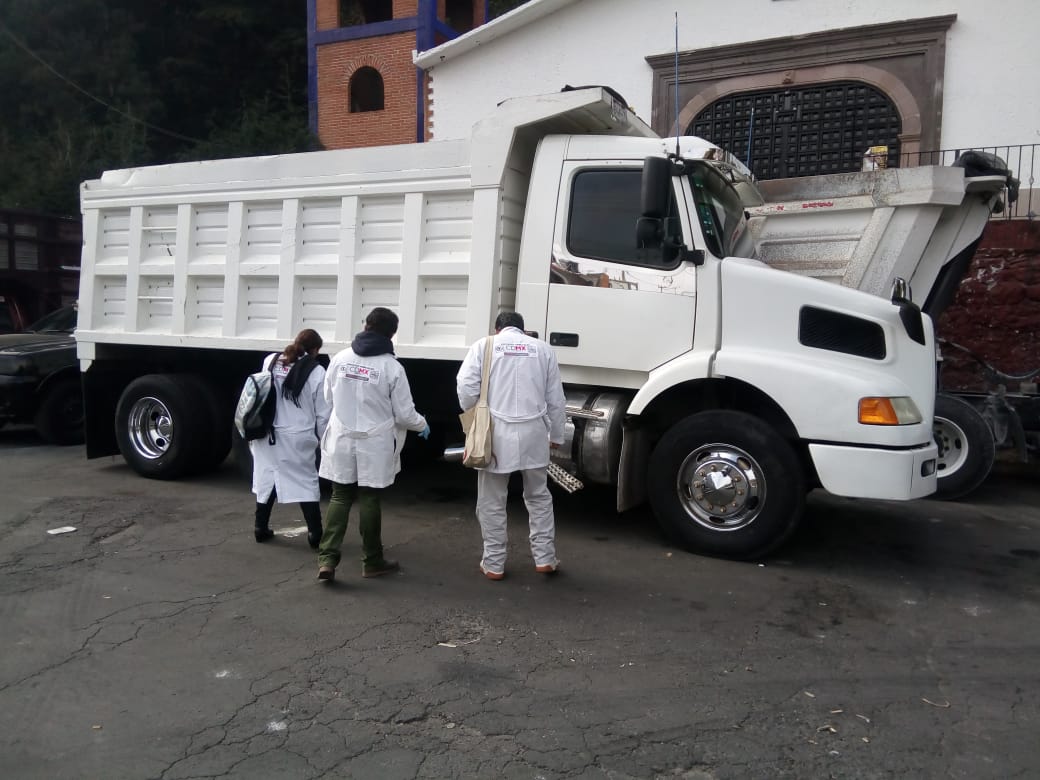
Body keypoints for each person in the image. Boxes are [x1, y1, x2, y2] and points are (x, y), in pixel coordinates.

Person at [316, 307, 430, 583]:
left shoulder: (340, 358)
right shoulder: (392, 367)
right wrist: (421, 424)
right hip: (374, 443)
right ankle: (372, 561)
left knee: (340, 496)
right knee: (369, 498)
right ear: (392, 333)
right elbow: (404, 413)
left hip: (342, 436)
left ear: (366, 325)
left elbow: (328, 397)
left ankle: (327, 560)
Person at [456, 312, 566, 580]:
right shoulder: (543, 350)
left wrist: (475, 415)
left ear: (498, 328)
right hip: (535, 433)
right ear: (523, 329)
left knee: (492, 500)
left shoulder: (484, 345)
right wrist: (557, 434)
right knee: (539, 497)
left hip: (495, 434)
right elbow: (556, 398)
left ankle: (494, 564)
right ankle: (545, 559)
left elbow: (466, 388)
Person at [252, 328, 332, 548]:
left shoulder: (271, 360)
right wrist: (326, 443)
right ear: (315, 350)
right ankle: (315, 534)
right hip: (297, 436)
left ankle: (260, 527)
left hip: (266, 434)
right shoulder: (317, 372)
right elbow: (323, 415)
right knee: (306, 482)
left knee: (266, 478)